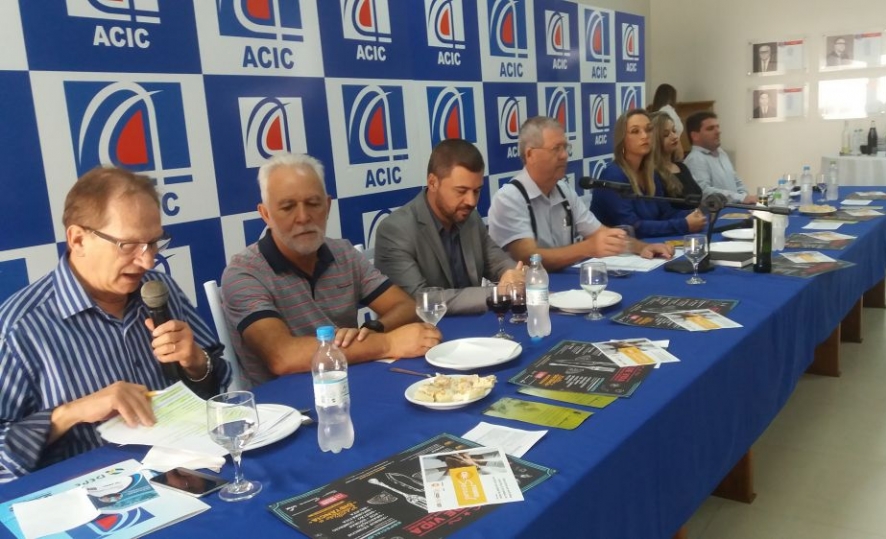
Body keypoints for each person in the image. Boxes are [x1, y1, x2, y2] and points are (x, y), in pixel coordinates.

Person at [0, 167, 230, 483]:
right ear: (78, 239)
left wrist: (195, 363)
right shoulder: (19, 329)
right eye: (128, 245)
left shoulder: (159, 289)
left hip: (190, 472)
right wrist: (70, 413)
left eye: (153, 243)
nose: (147, 261)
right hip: (95, 494)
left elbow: (218, 384)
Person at [221, 153, 441, 386]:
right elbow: (283, 357)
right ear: (265, 214)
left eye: (313, 204)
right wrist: (387, 343)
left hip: (352, 383)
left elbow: (404, 306)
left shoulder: (342, 252)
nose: (303, 217)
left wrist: (373, 329)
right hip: (285, 402)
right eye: (287, 207)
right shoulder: (243, 273)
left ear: (327, 206)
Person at [487, 116, 674, 272]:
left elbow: (601, 233)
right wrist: (587, 248)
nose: (564, 155)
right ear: (530, 154)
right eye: (556, 149)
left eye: (565, 148)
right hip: (529, 294)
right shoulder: (509, 198)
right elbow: (528, 257)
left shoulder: (563, 190)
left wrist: (643, 247)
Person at [375, 139, 524, 315]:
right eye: (461, 191)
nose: (471, 201)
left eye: (476, 191)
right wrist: (496, 294)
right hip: (424, 328)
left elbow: (498, 261)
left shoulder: (470, 218)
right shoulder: (395, 230)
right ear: (432, 183)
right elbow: (418, 299)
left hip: (472, 323)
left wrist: (513, 276)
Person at [590, 109, 706, 238]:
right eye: (635, 131)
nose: (645, 135)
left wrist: (694, 214)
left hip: (647, 245)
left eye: (649, 129)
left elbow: (666, 213)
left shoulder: (650, 173)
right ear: (622, 140)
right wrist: (684, 224)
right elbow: (632, 227)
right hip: (617, 248)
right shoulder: (613, 175)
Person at [683, 112, 757, 204]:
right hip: (717, 212)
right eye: (710, 128)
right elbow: (704, 191)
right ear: (695, 136)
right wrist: (741, 198)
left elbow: (737, 182)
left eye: (717, 127)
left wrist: (745, 198)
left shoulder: (721, 153)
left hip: (736, 208)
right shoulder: (695, 159)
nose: (718, 132)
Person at [649, 111, 703, 208]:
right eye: (666, 135)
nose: (674, 137)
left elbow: (698, 197)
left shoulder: (682, 167)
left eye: (674, 131)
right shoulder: (653, 173)